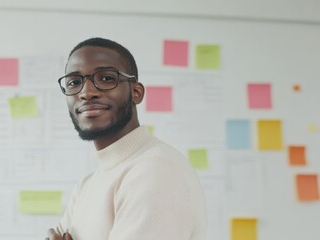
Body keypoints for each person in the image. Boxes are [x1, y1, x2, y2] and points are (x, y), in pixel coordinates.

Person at [46, 37, 206, 240]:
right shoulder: (86, 186)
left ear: (136, 92)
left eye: (105, 78)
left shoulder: (155, 169)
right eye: (74, 82)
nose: (86, 92)